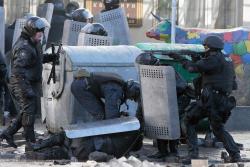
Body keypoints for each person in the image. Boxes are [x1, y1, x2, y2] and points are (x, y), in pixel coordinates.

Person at [25, 69, 143, 160]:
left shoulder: (118, 85)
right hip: (81, 87)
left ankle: (36, 146)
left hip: (80, 85)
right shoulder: (115, 90)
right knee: (102, 117)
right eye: (132, 97)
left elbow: (111, 113)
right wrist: (120, 120)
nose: (130, 99)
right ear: (131, 91)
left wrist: (119, 117)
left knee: (100, 117)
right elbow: (111, 118)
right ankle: (37, 148)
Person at [180, 35, 241, 162]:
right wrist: (197, 58)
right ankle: (235, 155)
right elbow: (216, 73)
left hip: (212, 100)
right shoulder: (226, 59)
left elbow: (192, 68)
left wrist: (181, 59)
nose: (204, 49)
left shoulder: (214, 59)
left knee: (189, 120)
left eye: (205, 47)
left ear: (210, 47)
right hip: (221, 100)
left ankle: (193, 154)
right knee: (218, 128)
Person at [0, 16, 58, 148]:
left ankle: (8, 133)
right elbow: (18, 71)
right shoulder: (24, 47)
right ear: (32, 31)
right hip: (21, 82)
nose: (41, 35)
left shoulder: (33, 44)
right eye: (39, 32)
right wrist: (25, 89)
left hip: (28, 82)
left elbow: (36, 59)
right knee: (29, 111)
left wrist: (50, 57)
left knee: (28, 110)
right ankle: (30, 141)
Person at [135, 52, 195, 158]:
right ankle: (162, 151)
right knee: (158, 122)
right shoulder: (148, 75)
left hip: (179, 99)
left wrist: (165, 90)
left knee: (172, 124)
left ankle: (173, 152)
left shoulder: (166, 70)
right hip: (162, 100)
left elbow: (180, 87)